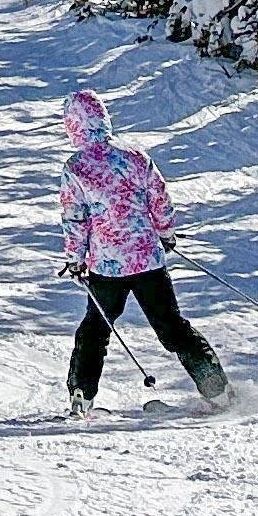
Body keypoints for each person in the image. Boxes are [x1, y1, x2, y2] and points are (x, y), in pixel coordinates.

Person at [57, 88, 227, 414]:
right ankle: (218, 391)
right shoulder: (135, 156)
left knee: (95, 330)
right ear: (103, 117)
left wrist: (75, 259)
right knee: (173, 327)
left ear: (73, 125)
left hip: (107, 267)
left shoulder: (76, 168)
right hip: (147, 259)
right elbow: (159, 198)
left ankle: (81, 396)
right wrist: (166, 234)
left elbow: (74, 218)